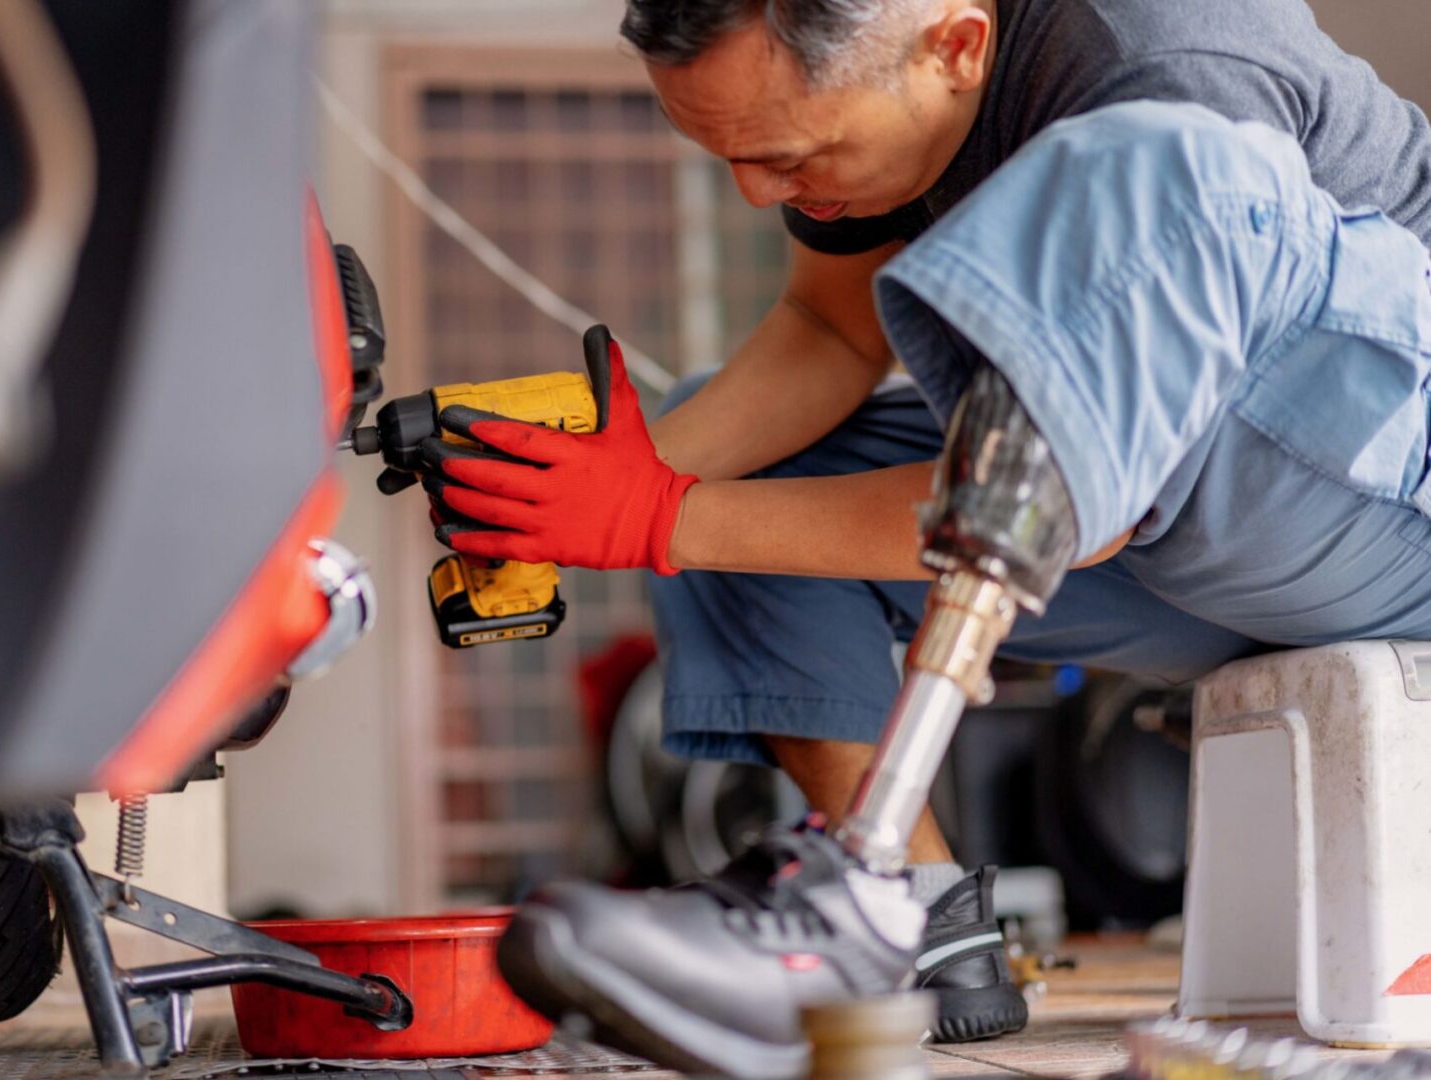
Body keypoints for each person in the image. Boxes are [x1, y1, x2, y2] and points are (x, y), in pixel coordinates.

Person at [411, 1, 1431, 1074]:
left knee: (1158, 167)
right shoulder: (892, 85)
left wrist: (659, 519)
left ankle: (857, 888)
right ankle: (915, 920)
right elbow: (829, 326)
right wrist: (624, 483)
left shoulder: (1159, 56)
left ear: (956, 46)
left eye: (788, 154)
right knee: (731, 483)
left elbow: (1089, 504)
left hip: (1383, 495)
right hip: (1198, 543)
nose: (758, 193)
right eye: (733, 157)